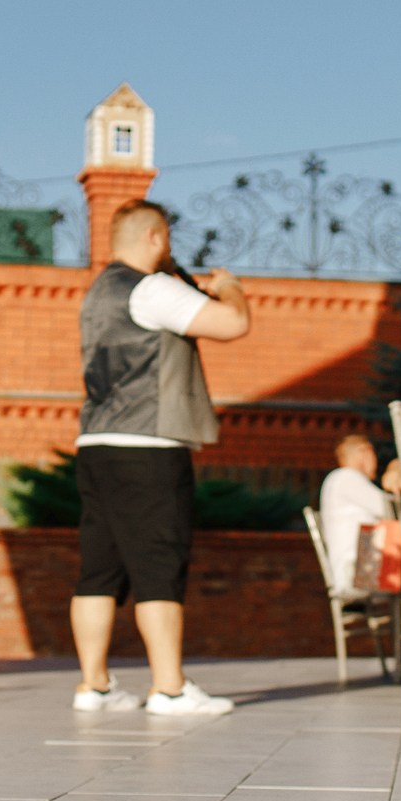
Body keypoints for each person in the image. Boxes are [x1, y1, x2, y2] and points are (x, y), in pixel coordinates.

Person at [70, 199, 250, 716]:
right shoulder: (151, 288)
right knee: (159, 565)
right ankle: (169, 689)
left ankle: (94, 686)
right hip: (148, 447)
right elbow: (233, 323)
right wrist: (230, 287)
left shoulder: (98, 292)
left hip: (96, 444)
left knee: (98, 571)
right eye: (166, 237)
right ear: (154, 237)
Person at [318, 432, 401, 594]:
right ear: (364, 451)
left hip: (358, 570)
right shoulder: (346, 477)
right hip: (356, 572)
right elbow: (392, 509)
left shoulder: (339, 480)